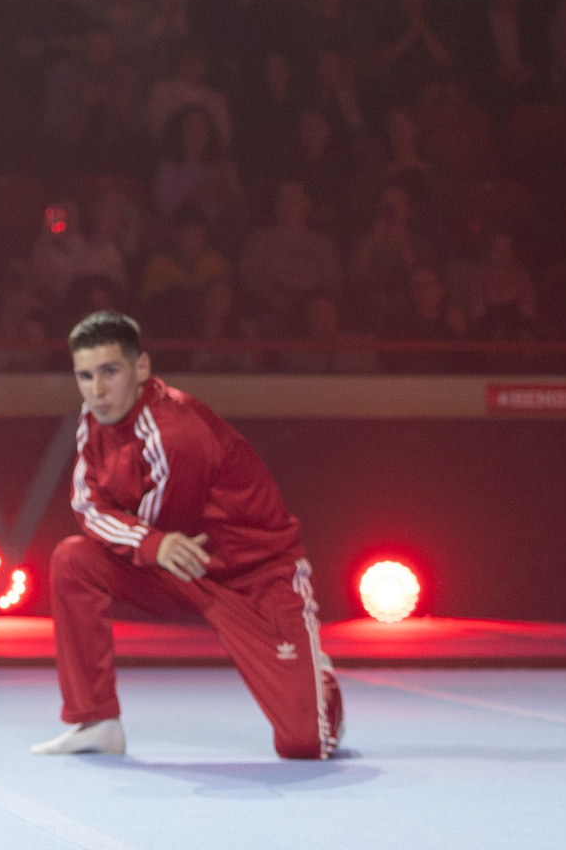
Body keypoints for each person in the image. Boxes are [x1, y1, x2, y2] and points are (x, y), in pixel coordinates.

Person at [32, 311, 343, 761]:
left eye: (110, 372)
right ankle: (95, 721)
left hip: (253, 577)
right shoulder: (93, 417)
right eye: (84, 375)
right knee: (73, 559)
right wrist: (151, 543)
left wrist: (150, 540)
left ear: (141, 369)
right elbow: (88, 505)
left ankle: (319, 681)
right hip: (176, 563)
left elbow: (157, 524)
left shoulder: (177, 433)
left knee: (304, 744)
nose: (96, 391)